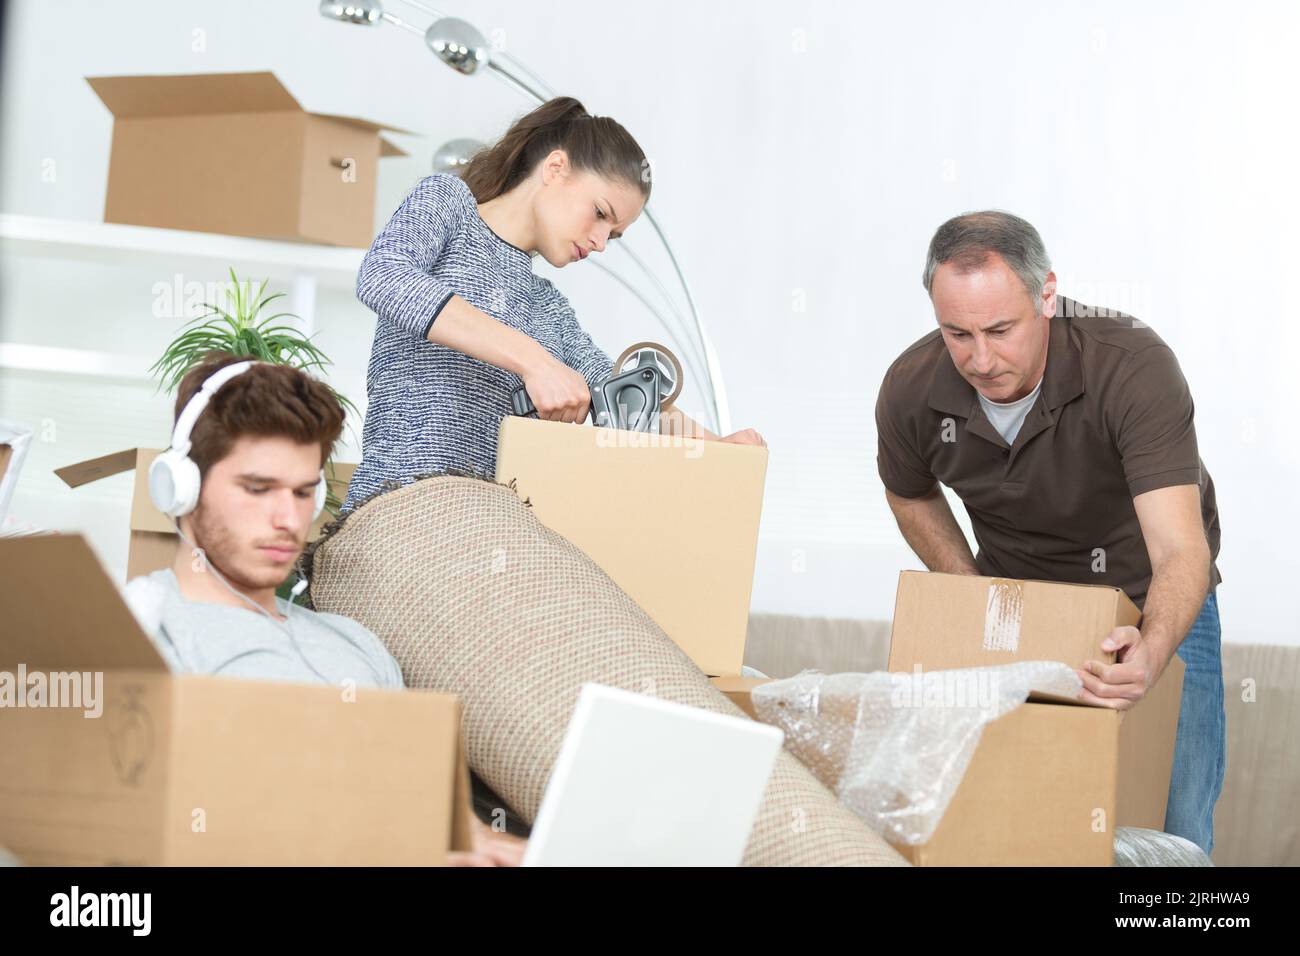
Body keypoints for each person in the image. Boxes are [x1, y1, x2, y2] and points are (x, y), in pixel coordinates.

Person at [874, 211, 1224, 855]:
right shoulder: (910, 387)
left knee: (1172, 832)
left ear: (1047, 295)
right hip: (1017, 611)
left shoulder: (1131, 365)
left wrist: (1148, 651)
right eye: (957, 333)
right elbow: (908, 488)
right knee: (1016, 828)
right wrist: (970, 592)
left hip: (1152, 602)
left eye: (1001, 330)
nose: (980, 359)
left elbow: (1180, 548)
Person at [122, 351, 523, 866]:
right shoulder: (147, 632)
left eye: (304, 492)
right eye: (258, 489)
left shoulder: (355, 642)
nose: (289, 519)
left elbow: (454, 828)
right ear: (182, 487)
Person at [345, 95, 764, 513]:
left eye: (613, 235)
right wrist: (535, 362)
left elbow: (621, 394)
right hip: (394, 507)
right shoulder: (448, 204)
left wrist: (717, 448)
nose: (600, 243)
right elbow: (384, 274)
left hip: (484, 532)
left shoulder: (549, 307)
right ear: (555, 168)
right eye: (600, 213)